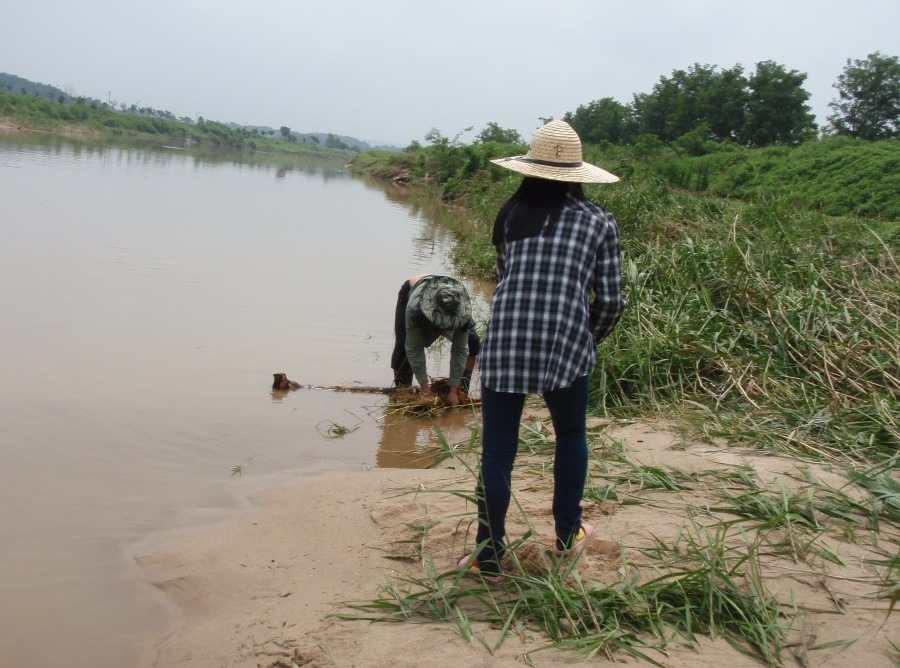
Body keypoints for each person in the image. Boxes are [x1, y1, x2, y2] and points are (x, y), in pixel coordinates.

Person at [458, 120, 626, 582]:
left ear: (529, 170)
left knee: (497, 452)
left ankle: (488, 556)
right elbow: (610, 301)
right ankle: (568, 534)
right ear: (576, 173)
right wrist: (586, 339)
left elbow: (505, 278)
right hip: (565, 343)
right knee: (570, 437)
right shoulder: (598, 222)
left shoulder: (511, 215)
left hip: (506, 338)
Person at [391, 274, 480, 407]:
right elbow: (414, 348)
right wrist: (425, 389)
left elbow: (461, 350)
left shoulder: (461, 311)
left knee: (472, 340)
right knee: (403, 346)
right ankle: (402, 391)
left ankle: (462, 389)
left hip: (446, 301)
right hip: (413, 292)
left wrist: (454, 389)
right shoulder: (414, 309)